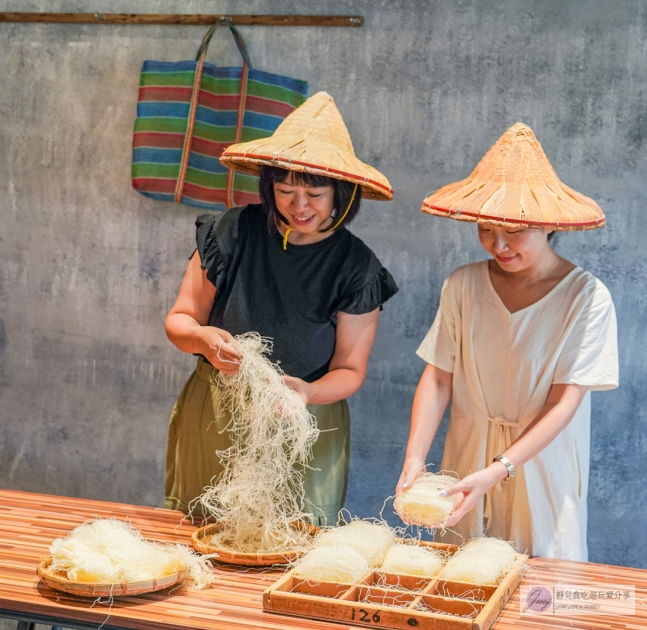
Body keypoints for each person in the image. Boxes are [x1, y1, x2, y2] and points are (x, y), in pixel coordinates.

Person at [162, 92, 398, 524]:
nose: (299, 205)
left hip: (306, 419)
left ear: (343, 196)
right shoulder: (232, 230)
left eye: (315, 193)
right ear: (268, 187)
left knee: (295, 541)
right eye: (285, 190)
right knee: (206, 533)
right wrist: (202, 338)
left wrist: (306, 392)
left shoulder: (357, 267)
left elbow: (349, 369)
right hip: (220, 411)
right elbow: (180, 321)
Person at [396, 123, 617, 561]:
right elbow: (439, 378)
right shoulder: (462, 285)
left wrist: (499, 470)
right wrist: (415, 458)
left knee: (541, 599)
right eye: (485, 228)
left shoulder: (587, 297)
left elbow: (563, 403)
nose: (497, 244)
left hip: (539, 464)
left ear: (547, 224)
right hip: (466, 458)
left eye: (513, 230)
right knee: (461, 583)